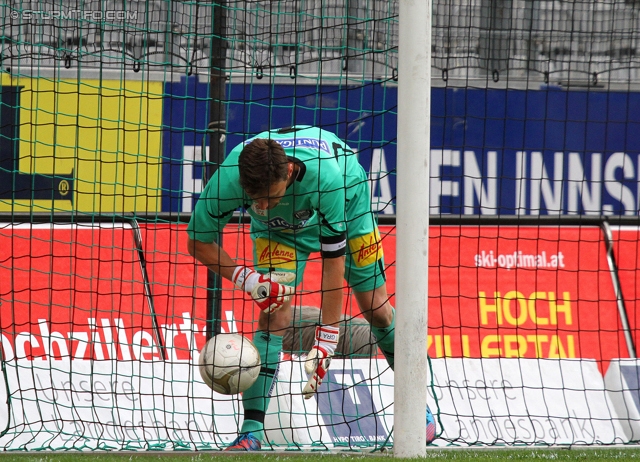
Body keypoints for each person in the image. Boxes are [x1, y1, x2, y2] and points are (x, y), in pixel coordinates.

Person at [186, 125, 436, 450]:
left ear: (289, 172)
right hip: (279, 233)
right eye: (255, 201)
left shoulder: (326, 178)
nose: (263, 206)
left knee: (375, 307)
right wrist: (247, 280)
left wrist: (326, 342)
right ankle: (250, 434)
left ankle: (421, 410)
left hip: (350, 205)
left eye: (270, 197)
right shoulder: (229, 178)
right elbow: (197, 242)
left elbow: (333, 264)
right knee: (273, 312)